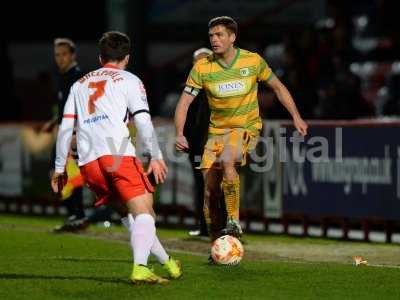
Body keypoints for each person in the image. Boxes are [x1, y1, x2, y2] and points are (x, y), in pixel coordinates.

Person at [51, 31, 182, 284]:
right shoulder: (129, 79)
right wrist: (155, 155)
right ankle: (141, 268)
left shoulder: (78, 84)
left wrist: (60, 167)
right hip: (117, 154)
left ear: (101, 58)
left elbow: (66, 128)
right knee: (146, 213)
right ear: (127, 58)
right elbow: (143, 120)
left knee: (130, 214)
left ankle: (167, 263)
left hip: (89, 163)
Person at [175, 16, 308, 244]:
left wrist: (296, 116)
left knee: (228, 159)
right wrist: (179, 133)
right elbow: (184, 102)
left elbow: (277, 86)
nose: (214, 40)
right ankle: (219, 243)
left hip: (245, 127)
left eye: (220, 35)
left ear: (232, 37)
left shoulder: (252, 61)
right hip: (216, 132)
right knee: (210, 191)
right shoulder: (203, 67)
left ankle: (234, 222)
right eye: (211, 36)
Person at [43, 38, 87, 232]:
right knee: (63, 174)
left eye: (64, 54)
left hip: (73, 134)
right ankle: (76, 215)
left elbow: (82, 107)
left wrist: (76, 132)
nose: (60, 58)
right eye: (57, 55)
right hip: (65, 132)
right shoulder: (64, 76)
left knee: (63, 173)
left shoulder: (77, 77)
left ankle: (77, 215)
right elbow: (64, 108)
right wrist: (54, 121)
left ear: (72, 55)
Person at [185, 48, 227, 237]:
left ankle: (223, 225)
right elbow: (190, 119)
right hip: (197, 146)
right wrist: (185, 139)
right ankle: (205, 226)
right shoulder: (191, 87)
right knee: (201, 185)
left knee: (220, 184)